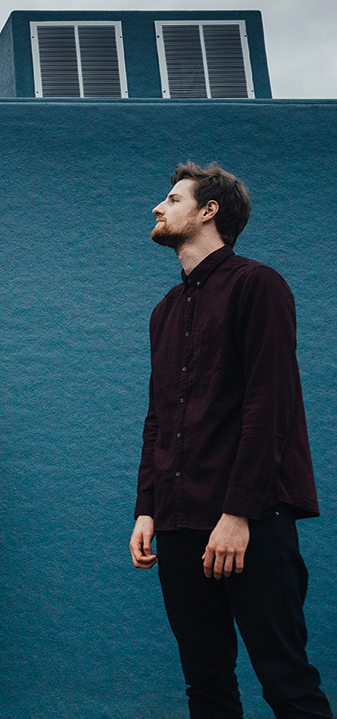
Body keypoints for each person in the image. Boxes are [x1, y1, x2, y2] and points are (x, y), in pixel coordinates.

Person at [129, 163, 330, 719]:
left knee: (286, 682)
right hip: (175, 523)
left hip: (251, 521)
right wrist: (147, 509)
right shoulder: (165, 312)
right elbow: (158, 416)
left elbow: (271, 405)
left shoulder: (257, 285)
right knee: (206, 686)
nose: (157, 207)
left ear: (209, 211)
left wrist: (239, 514)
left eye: (172, 198)